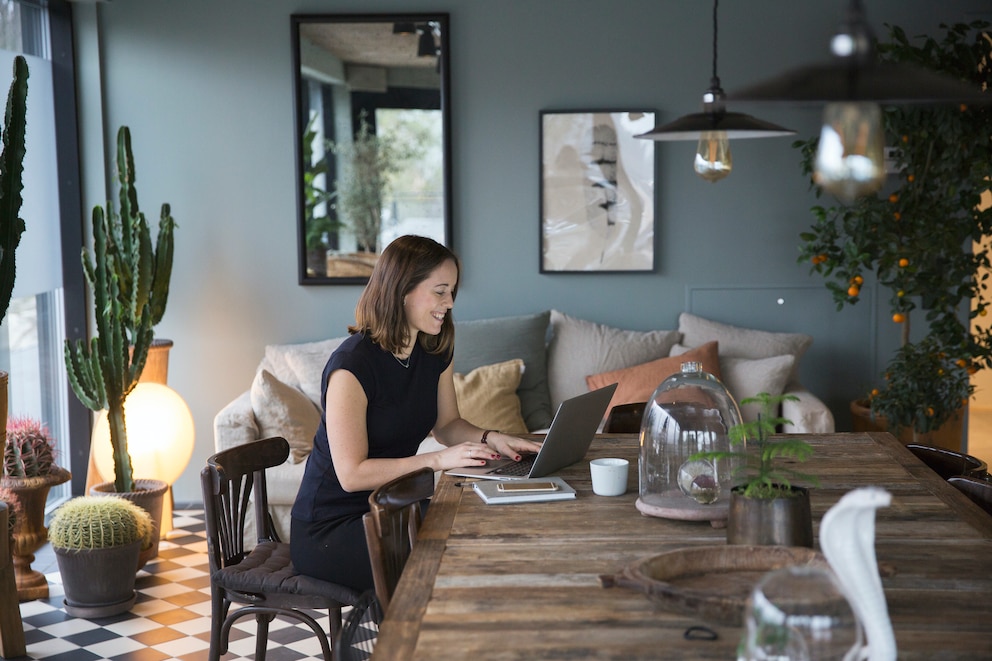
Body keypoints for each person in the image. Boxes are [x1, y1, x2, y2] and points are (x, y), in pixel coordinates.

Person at [290, 235, 542, 592]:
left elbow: (448, 425)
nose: (450, 303)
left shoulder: (434, 349)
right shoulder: (351, 367)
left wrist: (492, 438)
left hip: (391, 509)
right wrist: (439, 460)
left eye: (452, 291)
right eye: (440, 291)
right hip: (332, 529)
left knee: (480, 527)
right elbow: (351, 474)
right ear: (402, 290)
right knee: (456, 559)